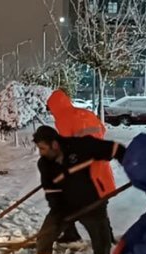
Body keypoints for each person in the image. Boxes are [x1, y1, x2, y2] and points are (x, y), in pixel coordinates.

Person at [18, 125, 123, 254]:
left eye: (43, 148)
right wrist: (61, 214)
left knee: (102, 244)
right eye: (39, 149)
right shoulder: (45, 163)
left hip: (92, 204)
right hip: (63, 207)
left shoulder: (80, 147)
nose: (41, 153)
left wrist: (132, 164)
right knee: (44, 237)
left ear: (55, 144)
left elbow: (114, 149)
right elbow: (51, 191)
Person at [46, 90, 116, 244]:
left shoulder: (64, 118)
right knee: (98, 203)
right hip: (99, 163)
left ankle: (98, 238)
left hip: (84, 169)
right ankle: (103, 236)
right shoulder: (85, 113)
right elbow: (101, 130)